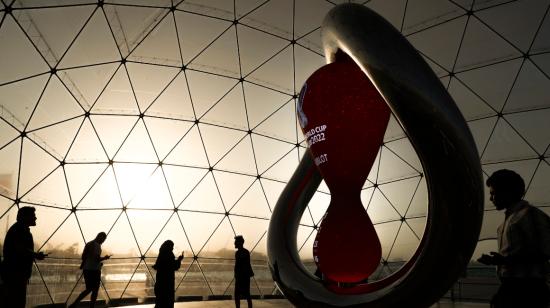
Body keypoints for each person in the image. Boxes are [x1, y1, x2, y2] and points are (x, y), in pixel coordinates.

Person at [477, 169, 550, 308]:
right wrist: (498, 261)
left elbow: (545, 251)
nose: (491, 199)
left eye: (493, 193)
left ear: (507, 192)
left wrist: (505, 260)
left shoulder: (529, 215)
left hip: (528, 291)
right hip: (511, 288)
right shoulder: (508, 221)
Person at [1, 206, 47, 308]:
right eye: (33, 216)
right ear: (25, 217)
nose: (35, 218)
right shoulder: (19, 230)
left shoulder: (20, 229)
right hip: (14, 274)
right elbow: (20, 249)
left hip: (15, 274)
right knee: (15, 302)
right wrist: (36, 255)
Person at [69, 232, 110, 308]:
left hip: (86, 269)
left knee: (89, 288)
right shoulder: (97, 245)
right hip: (94, 270)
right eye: (104, 239)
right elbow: (97, 258)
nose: (103, 241)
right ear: (100, 237)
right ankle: (91, 306)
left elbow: (83, 257)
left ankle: (75, 304)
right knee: (95, 290)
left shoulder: (89, 244)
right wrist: (105, 258)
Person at [152, 240, 183, 308]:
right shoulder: (169, 255)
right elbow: (174, 266)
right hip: (168, 284)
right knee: (167, 302)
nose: (172, 248)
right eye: (172, 247)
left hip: (160, 284)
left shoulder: (161, 255)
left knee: (160, 302)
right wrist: (179, 260)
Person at [234, 235, 253, 308]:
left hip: (241, 277)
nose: (234, 243)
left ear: (239, 243)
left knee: (237, 295)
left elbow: (240, 265)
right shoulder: (245, 252)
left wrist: (237, 275)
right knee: (247, 294)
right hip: (244, 276)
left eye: (235, 242)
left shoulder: (240, 253)